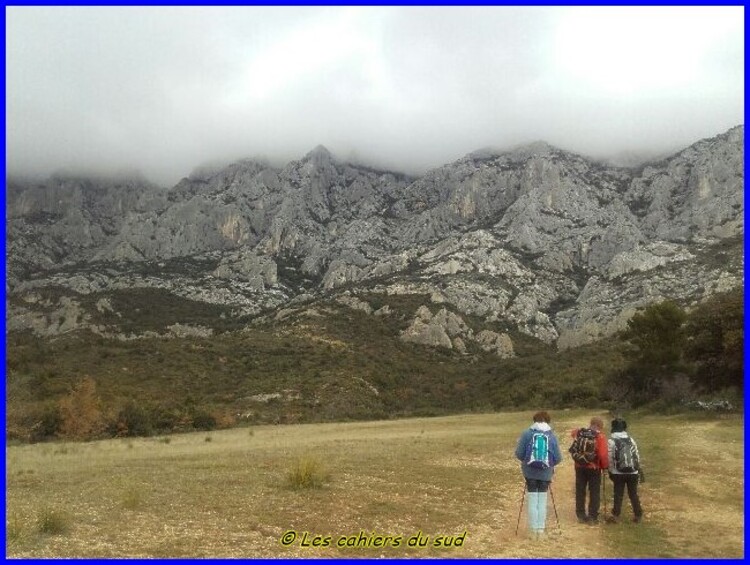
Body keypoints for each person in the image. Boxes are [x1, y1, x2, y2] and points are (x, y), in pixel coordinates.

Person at [515, 411, 563, 537]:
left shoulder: (527, 433)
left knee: (532, 499)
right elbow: (558, 458)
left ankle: (532, 531)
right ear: (548, 421)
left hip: (529, 472)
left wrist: (527, 462)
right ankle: (540, 531)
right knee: (542, 500)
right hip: (545, 473)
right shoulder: (551, 435)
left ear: (534, 420)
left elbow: (519, 453)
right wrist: (549, 465)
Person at [569, 416, 609, 524]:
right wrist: (605, 467)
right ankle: (592, 516)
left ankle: (581, 515)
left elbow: (572, 433)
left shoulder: (579, 432)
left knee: (580, 490)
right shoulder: (600, 436)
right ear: (600, 426)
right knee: (594, 491)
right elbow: (602, 454)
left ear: (591, 423)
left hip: (579, 466)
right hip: (593, 467)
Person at [605, 418, 644, 523]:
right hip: (633, 472)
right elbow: (636, 455)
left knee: (618, 494)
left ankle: (616, 516)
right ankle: (638, 514)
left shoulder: (611, 441)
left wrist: (610, 471)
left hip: (618, 473)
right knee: (633, 494)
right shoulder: (631, 439)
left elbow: (609, 458)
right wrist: (638, 469)